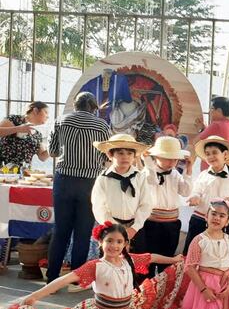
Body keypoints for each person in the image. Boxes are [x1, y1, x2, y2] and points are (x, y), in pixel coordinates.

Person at [0, 222, 193, 309]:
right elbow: (63, 280)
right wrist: (36, 295)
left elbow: (151, 257)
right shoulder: (95, 266)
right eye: (109, 241)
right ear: (100, 242)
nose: (114, 246)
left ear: (126, 244)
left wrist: (174, 259)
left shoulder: (130, 260)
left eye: (119, 242)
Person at [46, 92, 112, 282]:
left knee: (61, 230)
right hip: (90, 183)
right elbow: (106, 156)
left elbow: (53, 151)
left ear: (75, 105)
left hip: (64, 180)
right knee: (83, 232)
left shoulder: (61, 120)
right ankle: (76, 279)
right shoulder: (102, 125)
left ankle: (51, 277)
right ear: (94, 107)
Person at [90, 134, 155, 247]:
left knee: (135, 261)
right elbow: (98, 206)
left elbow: (146, 204)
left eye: (129, 153)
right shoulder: (103, 179)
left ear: (135, 156)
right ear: (110, 154)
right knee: (111, 260)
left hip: (135, 228)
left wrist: (134, 228)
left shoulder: (140, 177)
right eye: (120, 153)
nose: (125, 157)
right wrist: (115, 227)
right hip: (111, 228)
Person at [184, 136, 229, 255]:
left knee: (217, 253)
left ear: (225, 154)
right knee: (193, 251)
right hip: (201, 218)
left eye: (214, 153)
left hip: (221, 221)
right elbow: (196, 190)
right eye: (207, 154)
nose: (211, 156)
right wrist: (195, 196)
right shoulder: (203, 175)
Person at [141, 136, 192, 276]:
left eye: (175, 159)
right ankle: (148, 290)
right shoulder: (148, 172)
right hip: (153, 223)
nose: (172, 162)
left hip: (172, 223)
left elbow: (186, 191)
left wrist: (188, 170)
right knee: (149, 260)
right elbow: (152, 179)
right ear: (156, 156)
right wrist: (147, 161)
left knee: (168, 259)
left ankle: (164, 290)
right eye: (168, 158)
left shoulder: (175, 173)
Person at [189, 96, 229, 170]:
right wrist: (204, 129)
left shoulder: (216, 125)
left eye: (212, 109)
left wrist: (200, 131)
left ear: (219, 110)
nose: (209, 112)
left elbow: (196, 142)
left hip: (211, 169)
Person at [0, 101, 50, 166]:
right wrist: (19, 128)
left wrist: (54, 145)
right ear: (35, 110)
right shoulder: (14, 119)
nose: (48, 117)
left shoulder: (37, 134)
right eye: (46, 112)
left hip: (23, 172)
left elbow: (42, 157)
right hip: (4, 170)